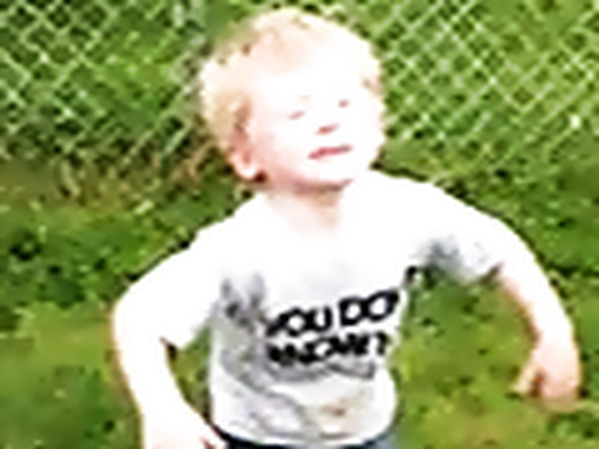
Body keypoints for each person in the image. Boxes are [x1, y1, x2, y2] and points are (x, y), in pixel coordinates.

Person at [111, 7, 582, 449]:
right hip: (259, 438)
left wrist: (553, 332)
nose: (328, 123)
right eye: (298, 113)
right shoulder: (239, 249)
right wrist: (162, 408)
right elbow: (140, 318)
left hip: (366, 431)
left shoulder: (409, 211)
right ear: (246, 156)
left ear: (378, 127)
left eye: (344, 104)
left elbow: (499, 250)